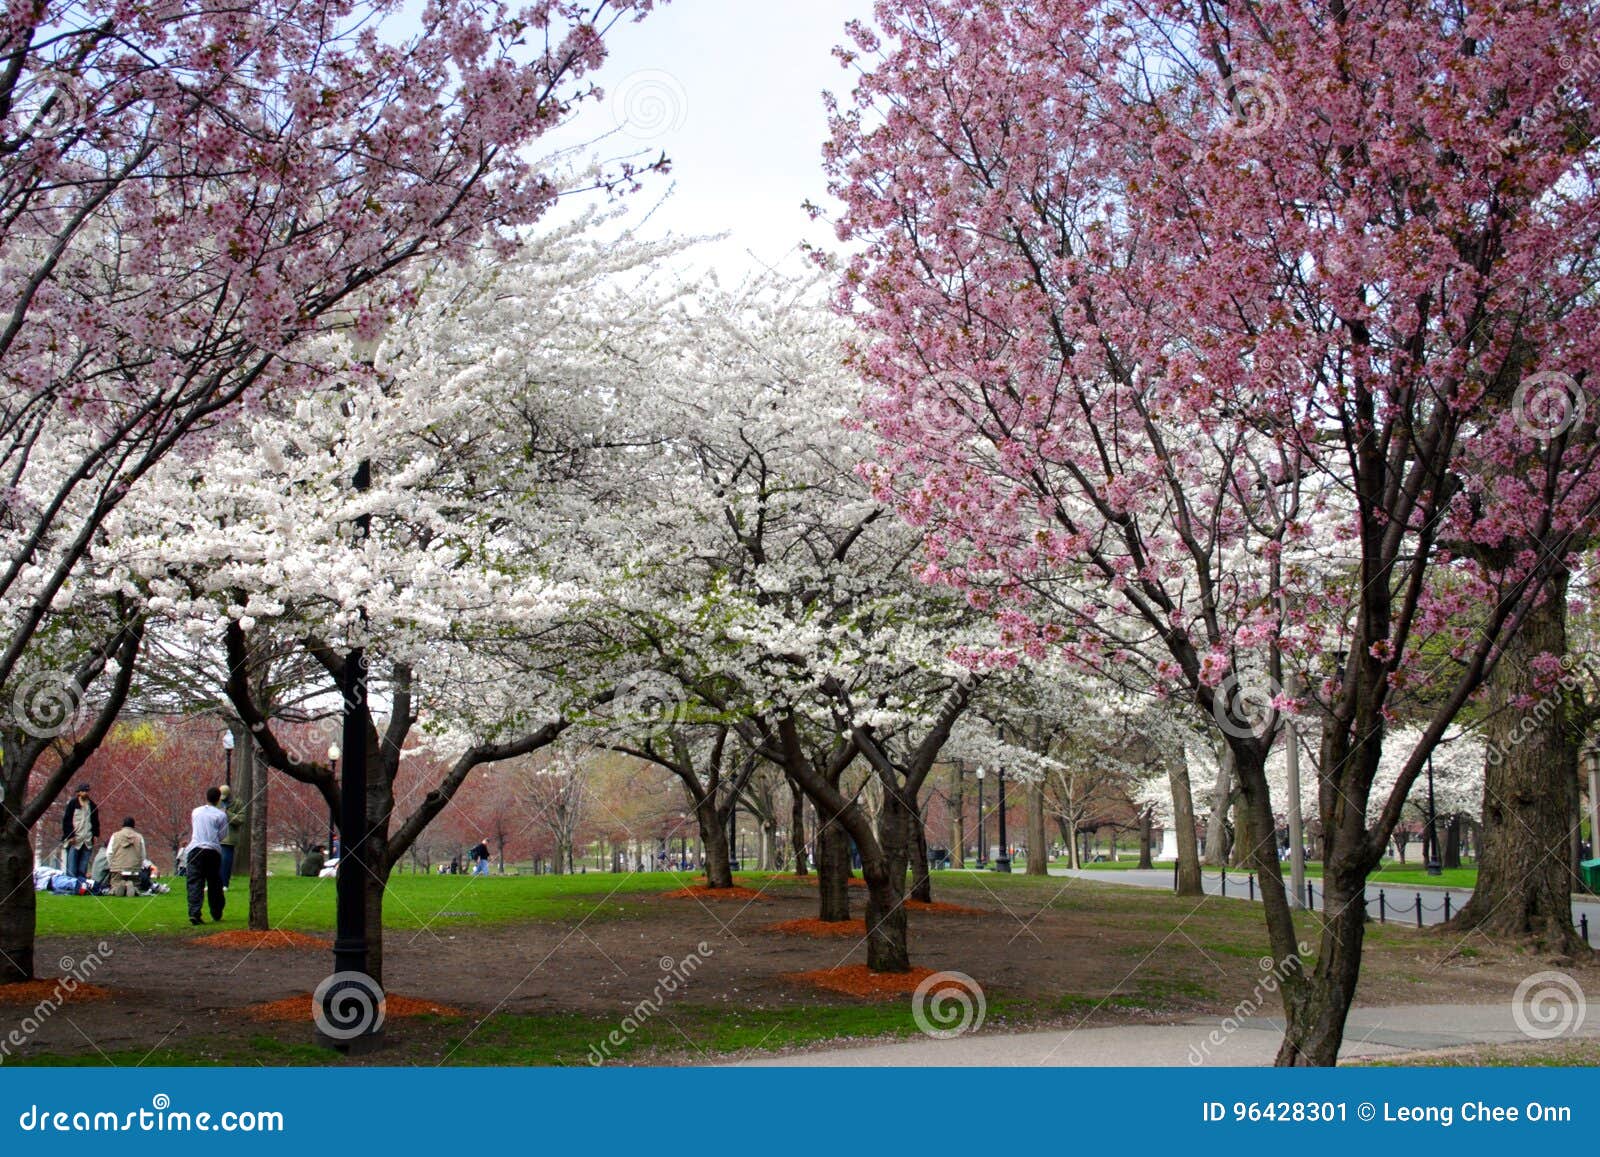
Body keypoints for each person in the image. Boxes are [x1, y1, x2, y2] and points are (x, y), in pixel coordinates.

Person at [185, 786, 228, 925]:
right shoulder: (221, 815)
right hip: (212, 850)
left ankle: (194, 912)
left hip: (195, 849)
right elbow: (223, 835)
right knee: (214, 882)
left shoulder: (196, 812)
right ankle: (216, 911)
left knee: (195, 882)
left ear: (206, 797)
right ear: (218, 799)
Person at [61, 784, 98, 880]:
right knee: (71, 867)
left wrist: (95, 835)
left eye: (87, 791)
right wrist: (70, 836)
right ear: (79, 792)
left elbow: (95, 822)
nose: (86, 793)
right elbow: (67, 821)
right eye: (84, 791)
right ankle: (71, 884)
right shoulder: (72, 804)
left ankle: (81, 885)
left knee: (83, 867)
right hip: (75, 839)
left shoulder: (92, 805)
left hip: (87, 840)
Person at [106, 817, 147, 897]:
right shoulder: (139, 837)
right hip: (134, 870)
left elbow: (109, 853)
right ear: (133, 826)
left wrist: (112, 865)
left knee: (115, 883)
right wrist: (138, 866)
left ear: (123, 825)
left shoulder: (115, 835)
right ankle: (133, 887)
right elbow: (143, 855)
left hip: (118, 869)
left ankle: (117, 887)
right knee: (136, 884)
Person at [218, 784, 244, 889]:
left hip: (229, 838)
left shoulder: (238, 803)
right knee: (214, 862)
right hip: (217, 837)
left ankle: (224, 884)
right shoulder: (217, 803)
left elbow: (241, 819)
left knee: (226, 862)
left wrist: (227, 814)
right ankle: (212, 884)